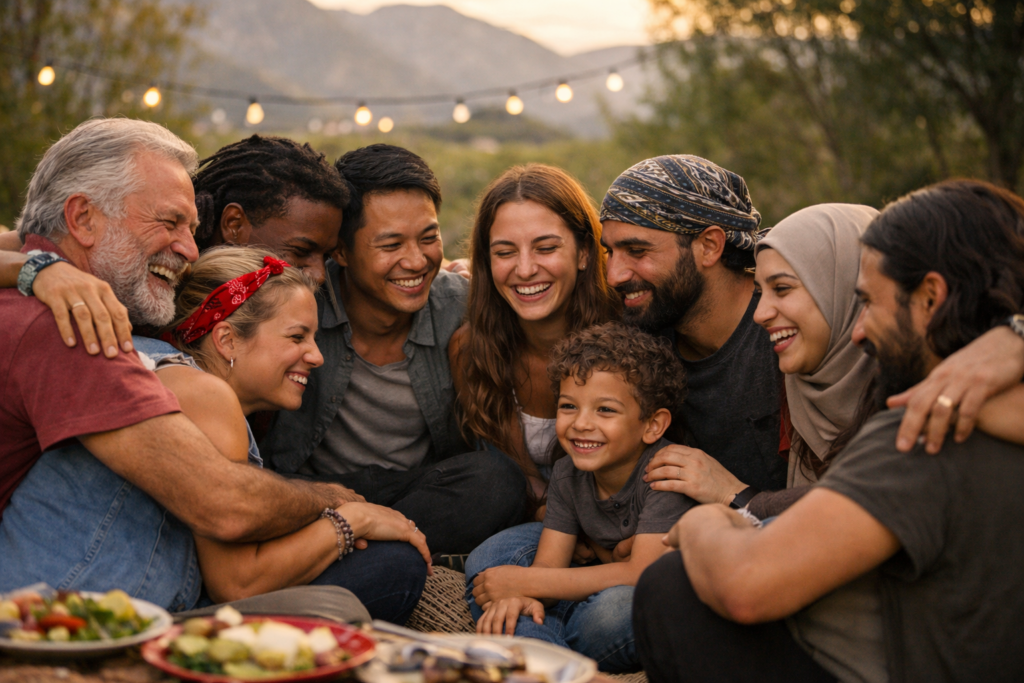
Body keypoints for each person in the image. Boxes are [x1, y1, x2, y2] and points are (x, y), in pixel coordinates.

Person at [633, 179, 1024, 682]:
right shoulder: (995, 415)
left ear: (930, 297)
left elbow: (747, 584)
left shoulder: (921, 433)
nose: (859, 330)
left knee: (670, 585)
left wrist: (713, 522)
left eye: (872, 302)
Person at [0, 118, 363, 619]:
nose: (191, 250)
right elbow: (224, 503)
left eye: (191, 230)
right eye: (169, 223)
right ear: (82, 219)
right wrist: (340, 503)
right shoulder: (71, 325)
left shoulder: (29, 290)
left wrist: (33, 265)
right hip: (40, 627)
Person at [261, 144, 526, 555]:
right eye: (391, 245)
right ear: (342, 251)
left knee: (496, 480)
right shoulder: (300, 304)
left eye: (429, 238)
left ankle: (371, 551)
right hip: (316, 494)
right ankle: (376, 551)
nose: (417, 261)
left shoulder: (462, 305)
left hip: (415, 489)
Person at [465, 322, 692, 673]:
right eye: (569, 406)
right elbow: (548, 569)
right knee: (488, 565)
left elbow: (640, 574)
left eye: (605, 410)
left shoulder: (666, 472)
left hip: (648, 598)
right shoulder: (568, 472)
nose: (581, 423)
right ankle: (544, 651)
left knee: (618, 609)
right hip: (590, 579)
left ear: (652, 425)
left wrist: (523, 584)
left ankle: (536, 650)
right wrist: (518, 594)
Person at [599, 154, 787, 499]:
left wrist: (736, 496)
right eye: (609, 252)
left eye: (637, 251)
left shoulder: (788, 333)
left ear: (710, 245)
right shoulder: (641, 342)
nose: (614, 275)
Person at [449, 164, 618, 519]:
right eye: (505, 252)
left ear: (584, 253)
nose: (524, 270)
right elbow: (517, 484)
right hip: (532, 516)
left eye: (545, 248)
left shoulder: (625, 348)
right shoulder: (470, 350)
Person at [190, 135, 349, 285]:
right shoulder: (167, 306)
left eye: (327, 257)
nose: (319, 275)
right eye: (301, 251)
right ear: (234, 225)